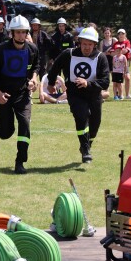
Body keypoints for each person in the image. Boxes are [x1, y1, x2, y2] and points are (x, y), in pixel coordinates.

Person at [0, 15, 39, 174]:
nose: (21, 35)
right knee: (7, 132)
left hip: (22, 94)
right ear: (12, 33)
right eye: (18, 32)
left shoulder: (32, 49)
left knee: (25, 125)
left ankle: (20, 161)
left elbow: (36, 66)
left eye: (24, 32)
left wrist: (33, 79)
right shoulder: (0, 50)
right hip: (3, 95)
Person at [47, 27, 110, 163]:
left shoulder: (101, 58)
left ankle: (87, 144)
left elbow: (105, 82)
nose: (87, 47)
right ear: (79, 42)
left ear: (94, 45)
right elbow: (55, 67)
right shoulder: (68, 54)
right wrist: (51, 83)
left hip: (94, 95)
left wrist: (88, 83)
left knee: (95, 124)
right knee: (81, 117)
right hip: (75, 94)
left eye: (90, 44)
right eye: (84, 44)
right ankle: (85, 148)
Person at [113, 29, 131, 99]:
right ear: (118, 35)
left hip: (125, 63)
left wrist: (118, 52)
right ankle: (120, 95)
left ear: (125, 34)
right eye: (119, 34)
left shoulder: (127, 42)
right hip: (117, 64)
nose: (121, 35)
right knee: (118, 81)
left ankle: (127, 94)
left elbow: (126, 50)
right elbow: (112, 53)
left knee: (127, 78)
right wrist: (120, 52)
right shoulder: (115, 43)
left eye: (122, 34)